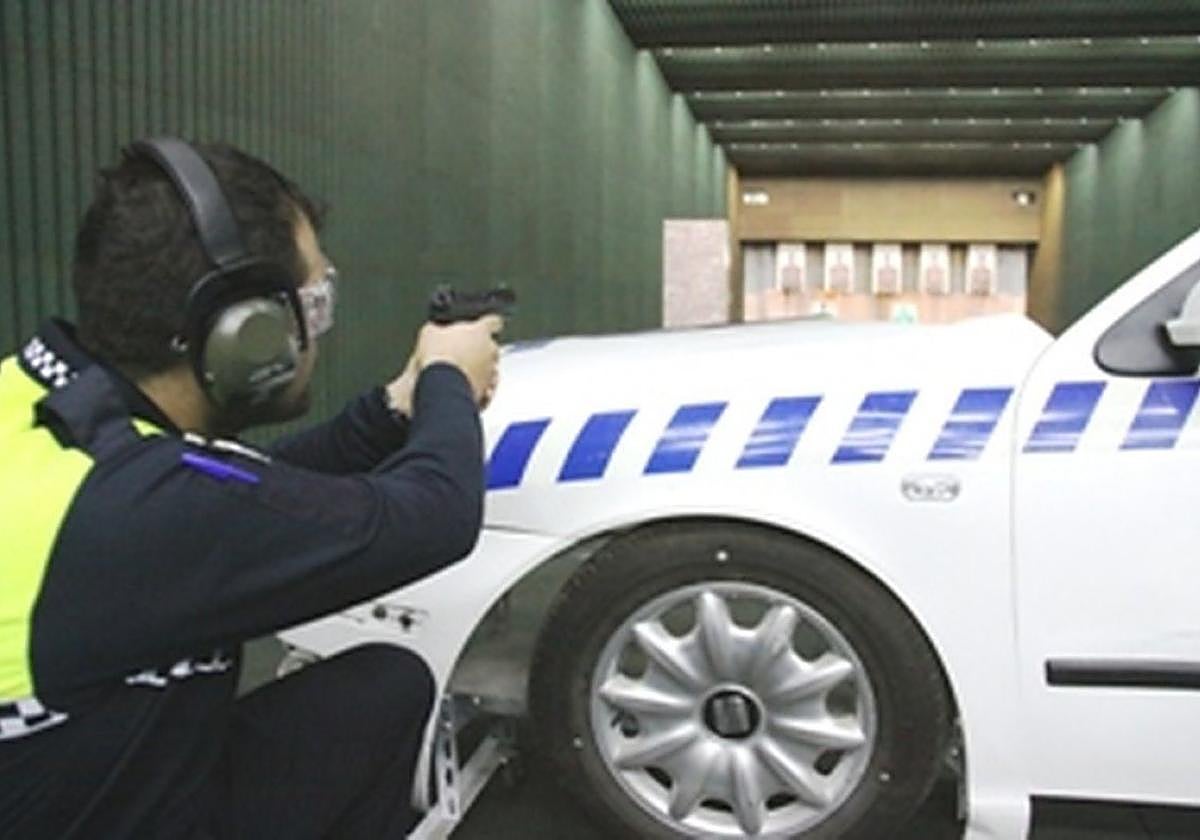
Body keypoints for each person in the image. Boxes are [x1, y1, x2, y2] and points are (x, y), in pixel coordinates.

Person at [0, 138, 501, 839]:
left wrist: (395, 407)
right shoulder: (144, 511)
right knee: (388, 687)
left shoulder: (49, 414)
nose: (315, 332)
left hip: (61, 775)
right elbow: (434, 516)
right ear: (246, 331)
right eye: (313, 304)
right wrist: (451, 376)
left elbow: (244, 491)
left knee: (377, 690)